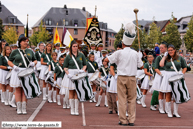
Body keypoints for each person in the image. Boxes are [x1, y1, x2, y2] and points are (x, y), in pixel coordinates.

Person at [105, 22, 143, 126]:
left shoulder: (118, 52)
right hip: (132, 78)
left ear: (122, 43)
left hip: (121, 77)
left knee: (122, 99)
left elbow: (107, 59)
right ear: (131, 44)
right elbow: (142, 66)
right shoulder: (135, 53)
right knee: (132, 100)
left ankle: (123, 120)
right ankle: (131, 120)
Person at [8, 35, 37, 114]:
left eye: (27, 41)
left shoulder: (30, 51)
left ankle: (24, 108)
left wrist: (33, 63)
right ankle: (19, 108)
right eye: (24, 41)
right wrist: (13, 66)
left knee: (25, 89)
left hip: (26, 71)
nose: (26, 42)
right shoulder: (15, 51)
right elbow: (9, 61)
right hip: (17, 71)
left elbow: (35, 60)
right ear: (20, 42)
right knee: (18, 89)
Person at [159, 45, 188, 118]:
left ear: (175, 50)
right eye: (168, 50)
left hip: (177, 76)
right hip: (168, 76)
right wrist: (164, 57)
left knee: (176, 94)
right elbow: (161, 65)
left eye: (171, 50)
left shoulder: (180, 58)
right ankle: (169, 112)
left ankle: (175, 112)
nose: (170, 51)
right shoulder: (166, 58)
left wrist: (182, 73)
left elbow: (185, 67)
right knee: (168, 94)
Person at [61, 40, 87, 115]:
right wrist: (68, 74)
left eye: (76, 46)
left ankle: (76, 110)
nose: (75, 48)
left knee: (77, 91)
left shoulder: (81, 55)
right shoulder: (68, 56)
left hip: (78, 74)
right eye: (74, 46)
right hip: (71, 74)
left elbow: (85, 64)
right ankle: (72, 109)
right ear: (71, 47)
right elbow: (65, 67)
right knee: (71, 91)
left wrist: (83, 70)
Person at [151, 42, 168, 113]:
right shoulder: (158, 57)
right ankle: (160, 107)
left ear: (166, 48)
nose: (160, 49)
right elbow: (156, 68)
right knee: (159, 91)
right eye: (160, 48)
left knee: (168, 92)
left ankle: (167, 108)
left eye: (162, 48)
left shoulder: (170, 57)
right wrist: (161, 74)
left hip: (168, 74)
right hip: (160, 75)